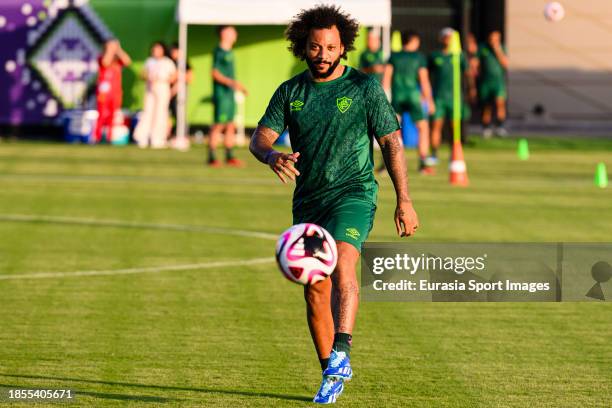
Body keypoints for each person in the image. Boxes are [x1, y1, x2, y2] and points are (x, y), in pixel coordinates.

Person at [249, 5, 419, 404]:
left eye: (330, 47)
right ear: (302, 47)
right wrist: (272, 155)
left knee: (344, 260)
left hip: (354, 192)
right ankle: (330, 372)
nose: (323, 54)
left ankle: (342, 349)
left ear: (343, 48)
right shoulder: (291, 92)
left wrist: (404, 200)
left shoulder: (364, 88)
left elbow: (391, 142)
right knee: (315, 291)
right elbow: (259, 138)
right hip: (309, 200)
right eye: (315, 47)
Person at [382, 29, 435, 174]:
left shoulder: (394, 56)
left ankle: (386, 164)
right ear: (414, 41)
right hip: (413, 97)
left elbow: (386, 79)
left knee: (391, 131)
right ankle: (423, 163)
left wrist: (383, 100)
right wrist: (429, 101)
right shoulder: (419, 57)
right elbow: (424, 80)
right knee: (423, 128)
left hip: (397, 97)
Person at [428, 28, 471, 163]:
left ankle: (455, 154)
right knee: (436, 126)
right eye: (445, 36)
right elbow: (426, 75)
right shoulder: (435, 56)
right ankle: (434, 154)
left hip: (455, 98)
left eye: (450, 37)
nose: (448, 39)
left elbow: (468, 74)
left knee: (455, 127)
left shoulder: (460, 56)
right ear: (441, 39)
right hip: (439, 98)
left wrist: (471, 89)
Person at [209, 25, 248, 167]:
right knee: (219, 125)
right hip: (222, 95)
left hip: (230, 95)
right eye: (231, 31)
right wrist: (233, 83)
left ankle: (229, 156)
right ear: (224, 33)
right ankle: (212, 157)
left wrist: (235, 86)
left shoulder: (230, 51)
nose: (234, 33)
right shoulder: (218, 51)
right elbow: (214, 73)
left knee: (231, 125)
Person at [134, 41, 176, 149]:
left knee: (160, 113)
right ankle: (142, 137)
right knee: (148, 112)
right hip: (150, 89)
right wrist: (148, 77)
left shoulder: (168, 62)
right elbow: (143, 74)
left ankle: (158, 138)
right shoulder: (149, 61)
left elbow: (174, 77)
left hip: (162, 88)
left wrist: (162, 79)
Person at [93, 39, 131, 144]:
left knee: (113, 115)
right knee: (102, 114)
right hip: (104, 92)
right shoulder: (101, 57)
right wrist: (110, 50)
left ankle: (110, 137)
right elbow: (105, 63)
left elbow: (128, 61)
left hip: (115, 92)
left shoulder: (118, 61)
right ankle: (97, 137)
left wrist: (118, 50)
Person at [476, 30, 509, 138]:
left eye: (495, 39)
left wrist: (497, 49)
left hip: (498, 81)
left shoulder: (502, 48)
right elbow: (476, 63)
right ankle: (486, 127)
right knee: (487, 105)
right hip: (486, 82)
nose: (493, 41)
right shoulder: (482, 48)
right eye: (491, 38)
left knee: (500, 102)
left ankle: (500, 126)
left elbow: (505, 64)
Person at [169, 42, 194, 139]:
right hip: (169, 91)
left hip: (180, 91)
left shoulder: (183, 63)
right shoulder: (170, 62)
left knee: (179, 112)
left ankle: (183, 134)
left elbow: (190, 77)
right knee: (170, 113)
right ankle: (171, 134)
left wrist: (178, 76)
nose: (173, 52)